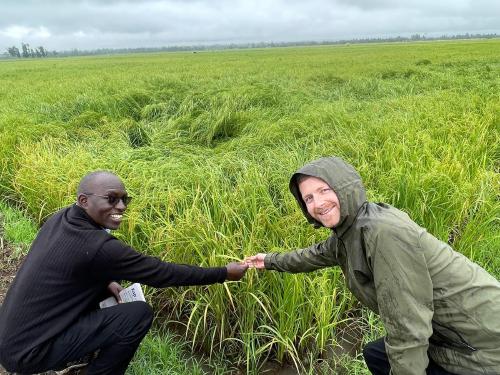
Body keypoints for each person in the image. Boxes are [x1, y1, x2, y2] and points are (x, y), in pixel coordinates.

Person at [245, 156, 500, 375]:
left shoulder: (382, 233)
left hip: (481, 341)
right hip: (449, 334)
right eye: (308, 198)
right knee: (377, 354)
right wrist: (267, 261)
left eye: (324, 190)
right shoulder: (350, 231)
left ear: (345, 187)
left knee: (391, 354)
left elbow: (407, 326)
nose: (318, 204)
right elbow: (312, 255)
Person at [0, 171, 248, 374]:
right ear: (84, 201)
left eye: (124, 199)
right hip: (28, 354)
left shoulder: (62, 218)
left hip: (11, 339)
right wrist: (224, 272)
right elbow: (162, 273)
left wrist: (106, 281)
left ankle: (77, 356)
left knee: (105, 285)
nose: (121, 206)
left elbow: (77, 264)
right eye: (111, 199)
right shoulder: (98, 247)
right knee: (137, 314)